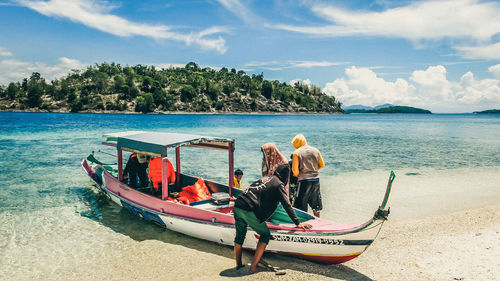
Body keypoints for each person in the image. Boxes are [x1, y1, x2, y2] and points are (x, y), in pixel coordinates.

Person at [233, 164, 312, 273]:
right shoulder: (279, 184)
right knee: (265, 235)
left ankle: (238, 265)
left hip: (238, 205)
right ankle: (253, 268)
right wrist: (297, 222)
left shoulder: (266, 178)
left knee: (240, 236)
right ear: (286, 176)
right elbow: (287, 204)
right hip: (248, 208)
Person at [291, 134, 325, 217]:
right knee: (316, 203)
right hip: (316, 180)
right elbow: (322, 165)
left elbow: (294, 170)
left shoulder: (297, 152)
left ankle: (302, 223)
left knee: (300, 204)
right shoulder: (316, 150)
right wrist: (312, 170)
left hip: (304, 181)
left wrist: (300, 174)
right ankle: (318, 221)